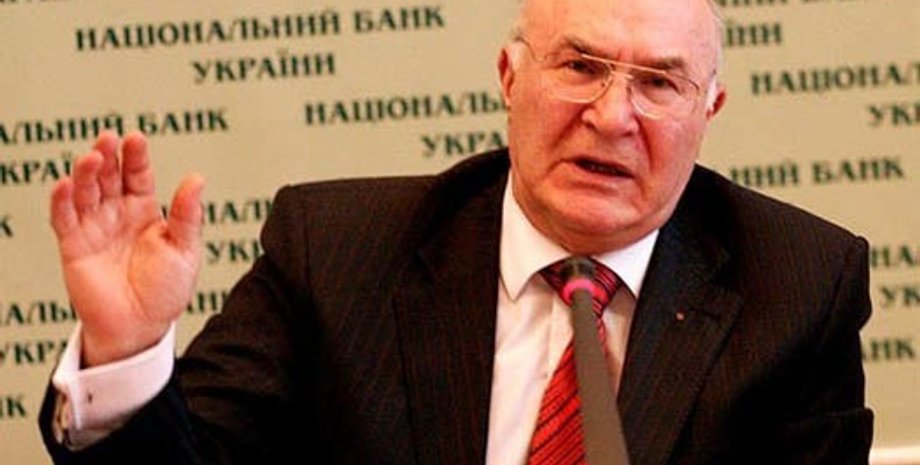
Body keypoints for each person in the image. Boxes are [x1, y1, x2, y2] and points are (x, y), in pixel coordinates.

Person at [39, 0, 874, 463]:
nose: (613, 116)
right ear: (510, 78)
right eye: (580, 66)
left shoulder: (797, 286)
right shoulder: (336, 255)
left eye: (659, 83)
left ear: (708, 111)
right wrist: (126, 352)